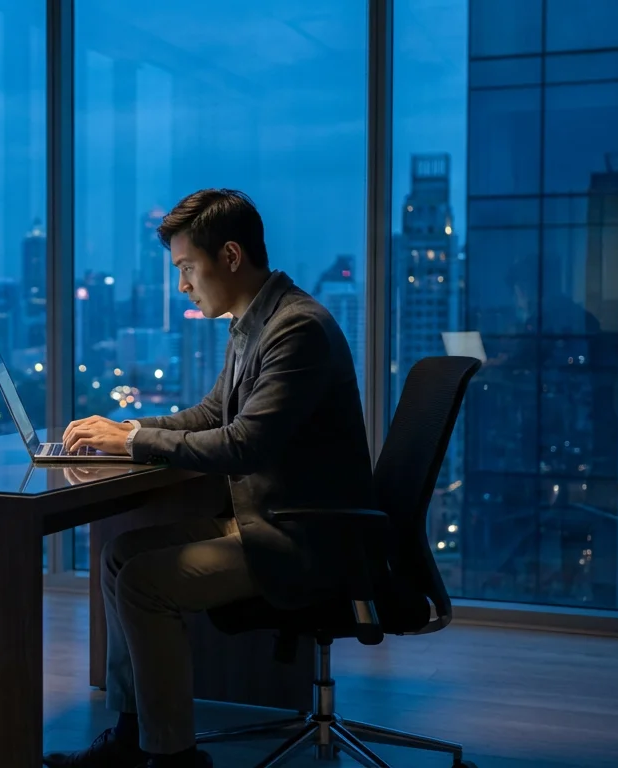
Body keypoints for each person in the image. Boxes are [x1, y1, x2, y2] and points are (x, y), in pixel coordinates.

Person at [45, 189, 374, 768]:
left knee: (144, 583)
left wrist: (134, 444)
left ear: (230, 256)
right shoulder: (254, 323)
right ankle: (133, 737)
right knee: (119, 556)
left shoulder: (296, 329)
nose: (182, 286)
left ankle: (174, 759)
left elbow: (245, 444)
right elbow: (211, 414)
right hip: (268, 520)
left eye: (186, 268)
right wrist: (126, 429)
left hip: (303, 537)